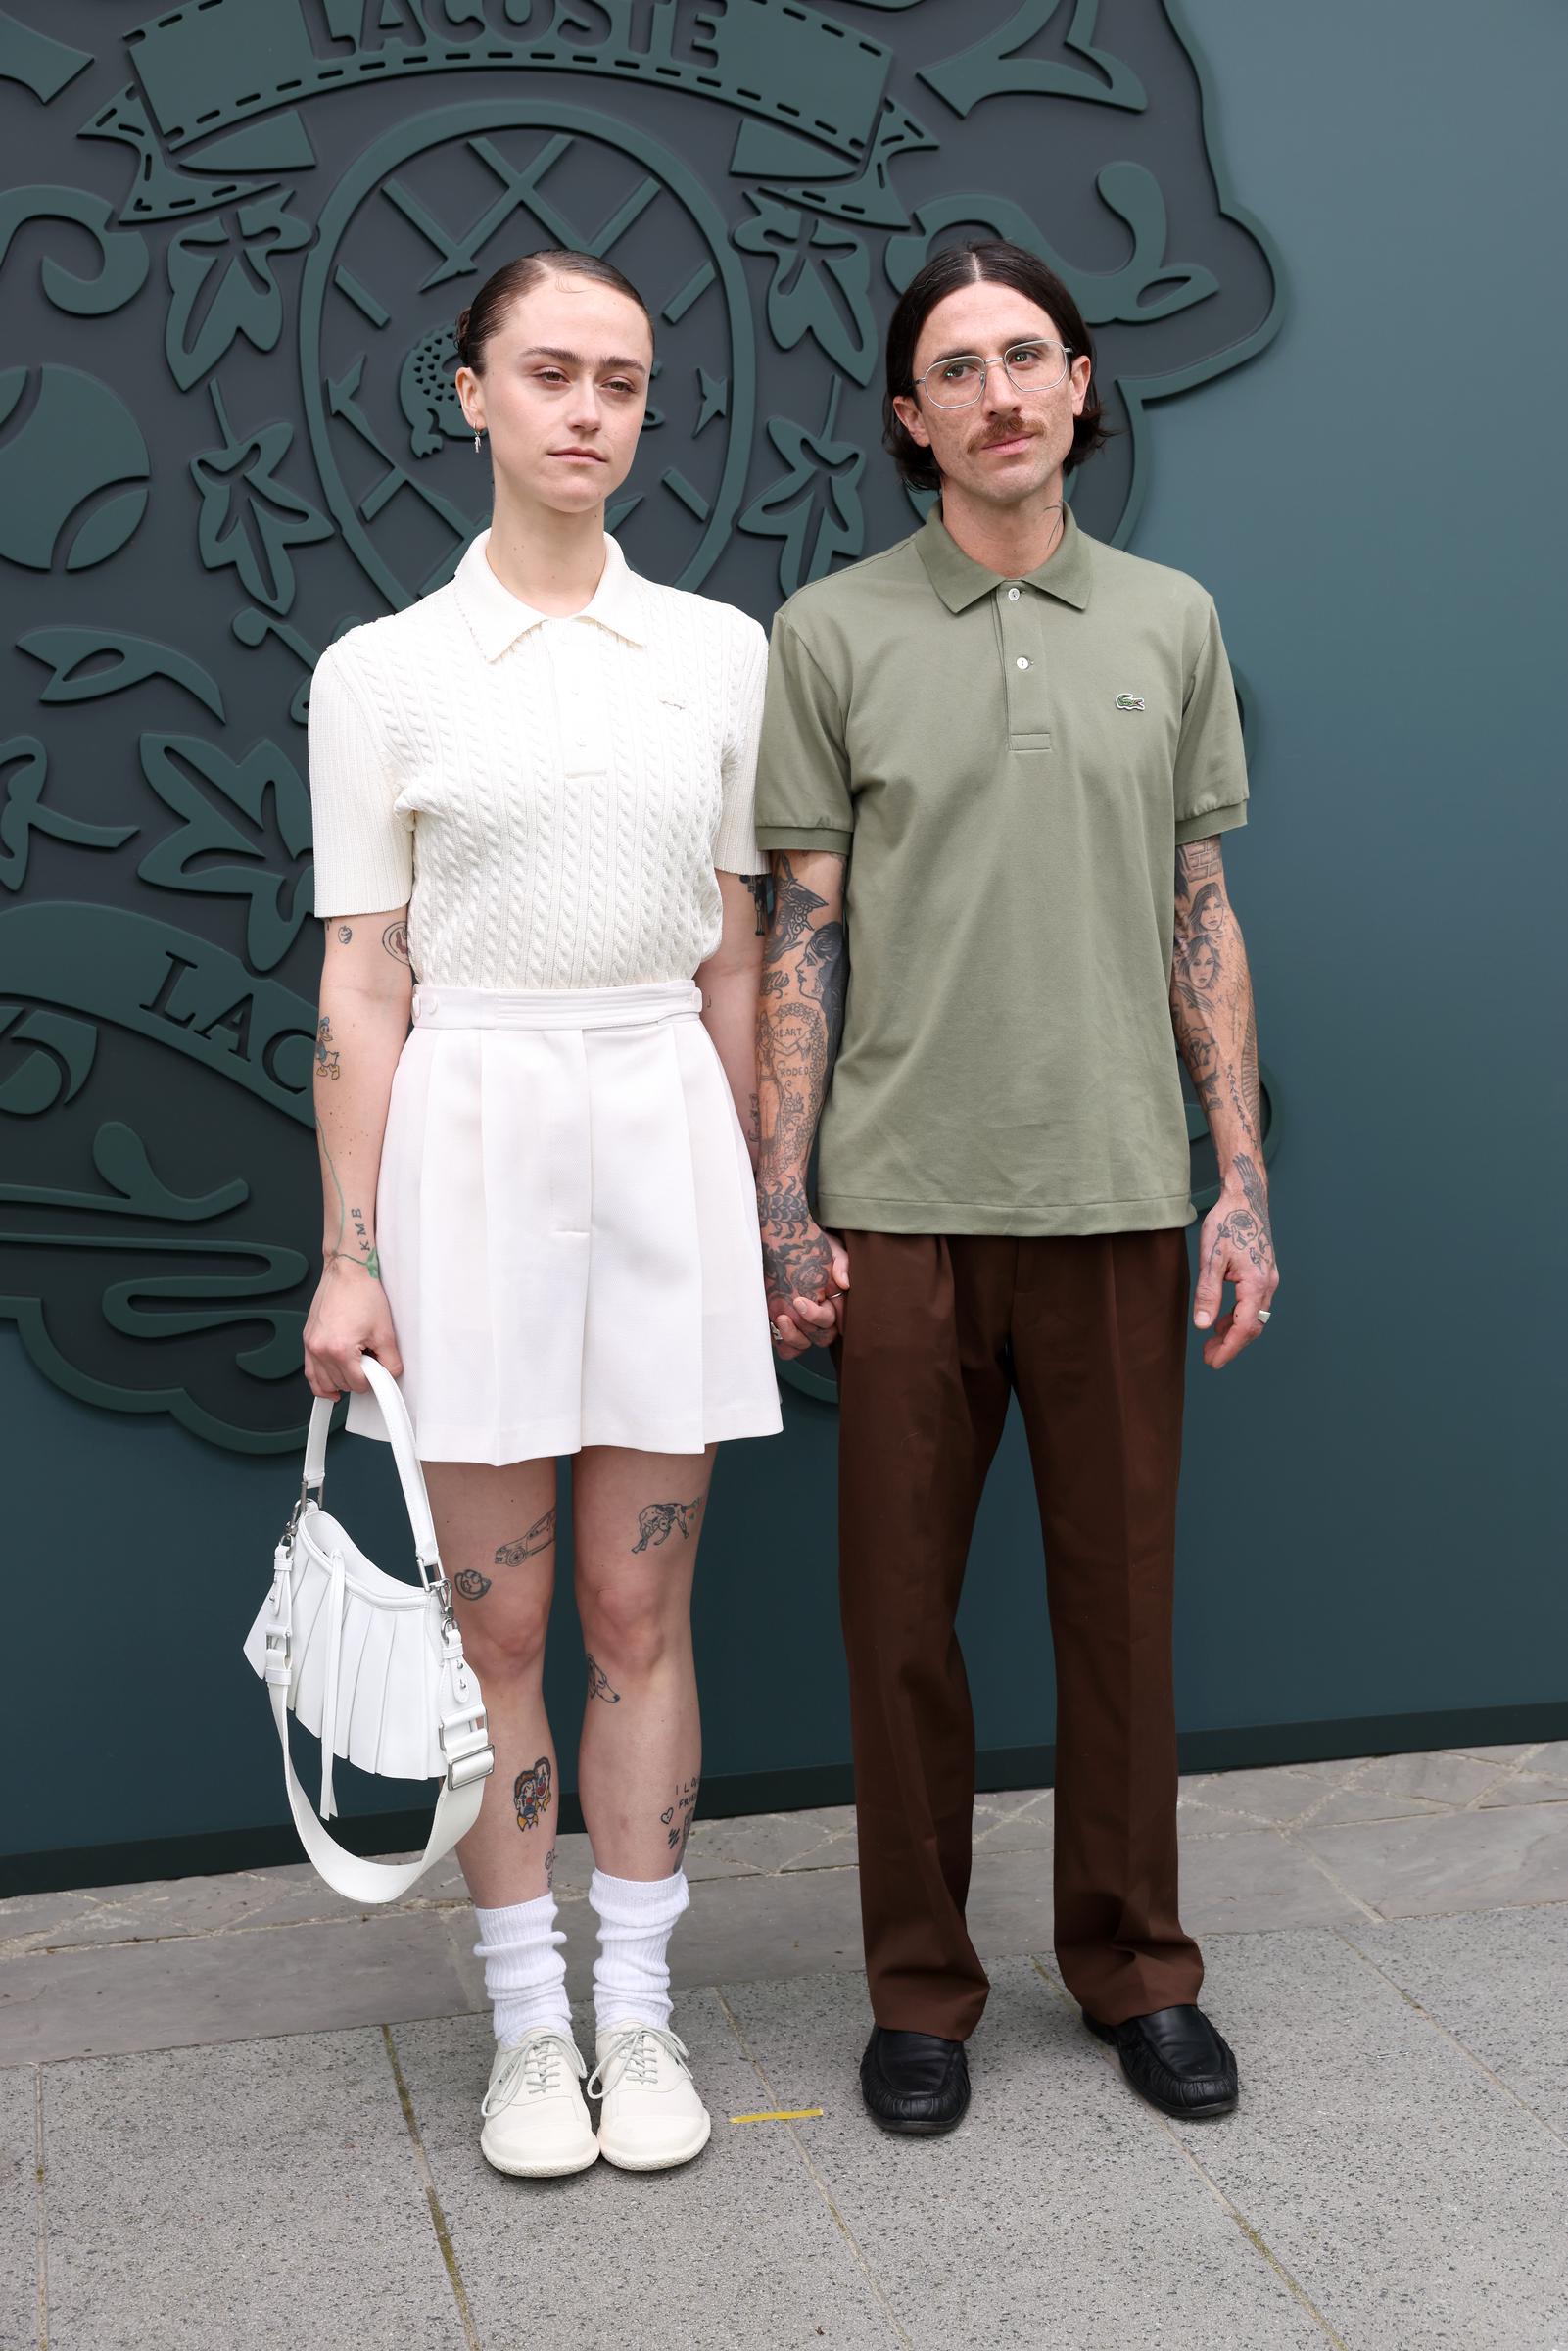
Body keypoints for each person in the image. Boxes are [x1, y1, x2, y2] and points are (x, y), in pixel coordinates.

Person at [753, 240, 1279, 2135]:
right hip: (897, 1205)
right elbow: (801, 927)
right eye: (956, 368)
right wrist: (781, 1200)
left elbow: (1196, 906)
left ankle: (1135, 1969)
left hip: (1124, 1193)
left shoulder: (1170, 620)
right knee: (895, 1624)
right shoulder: (827, 634)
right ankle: (920, 1991)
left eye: (1027, 356)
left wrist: (1241, 1183)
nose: (998, 392)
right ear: (911, 418)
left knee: (1118, 1609)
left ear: (1078, 384)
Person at [302, 248, 781, 2179]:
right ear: (471, 396)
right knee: (496, 1631)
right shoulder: (381, 674)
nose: (590, 411)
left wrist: (763, 1190)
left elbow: (738, 950)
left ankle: (643, 2019)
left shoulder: (721, 656)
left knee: (632, 1604)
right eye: (551, 373)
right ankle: (526, 2030)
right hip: (469, 1133)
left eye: (625, 382)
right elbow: (361, 975)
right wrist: (350, 1250)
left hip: (659, 1109)